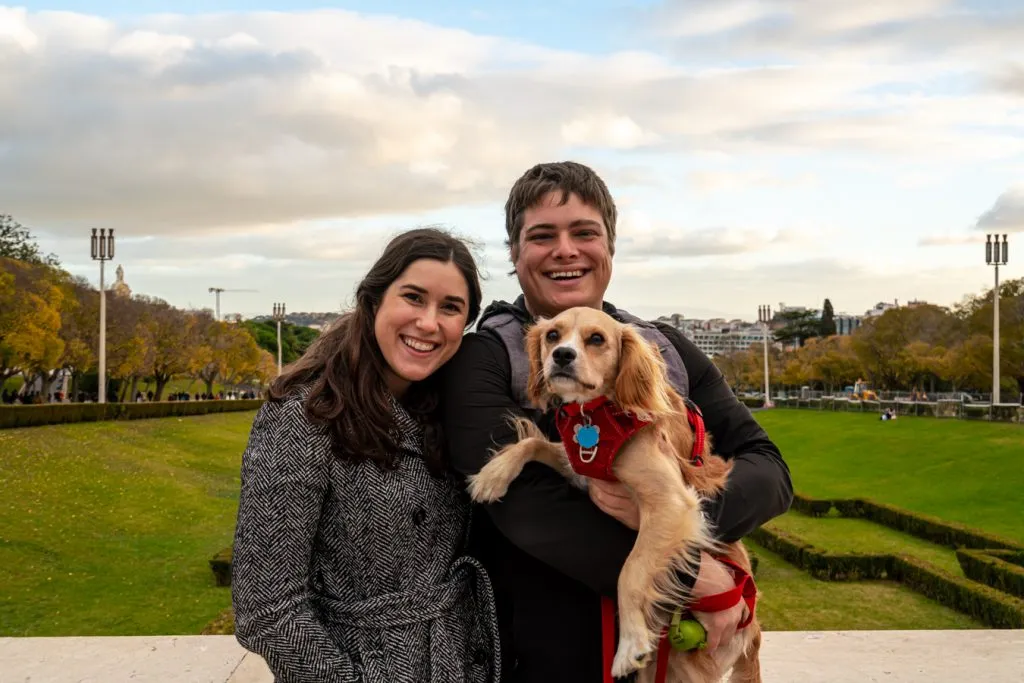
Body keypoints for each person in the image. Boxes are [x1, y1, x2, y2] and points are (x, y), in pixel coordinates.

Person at [441, 161, 793, 683]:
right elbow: (528, 510)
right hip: (542, 661)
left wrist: (664, 513)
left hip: (678, 659)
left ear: (609, 248)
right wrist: (694, 573)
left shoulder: (664, 347)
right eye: (542, 236)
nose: (566, 250)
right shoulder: (485, 356)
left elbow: (770, 473)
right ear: (515, 255)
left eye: (585, 233)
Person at [232, 228, 500, 683]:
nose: (429, 323)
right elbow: (267, 608)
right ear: (374, 300)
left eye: (450, 308)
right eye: (413, 297)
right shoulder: (304, 416)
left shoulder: (449, 408)